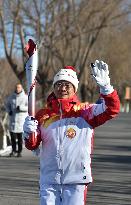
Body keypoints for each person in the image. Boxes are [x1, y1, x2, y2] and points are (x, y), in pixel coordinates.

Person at [23, 61, 120, 205]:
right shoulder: (43, 115)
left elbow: (112, 109)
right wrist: (28, 132)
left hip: (76, 180)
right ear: (54, 88)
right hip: (49, 180)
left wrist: (106, 88)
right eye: (58, 84)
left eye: (67, 85)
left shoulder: (85, 111)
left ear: (74, 88)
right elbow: (32, 145)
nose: (62, 88)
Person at [6, 83, 28, 157]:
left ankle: (19, 151)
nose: (17, 89)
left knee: (19, 138)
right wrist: (9, 111)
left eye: (19, 87)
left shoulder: (25, 97)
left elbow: (29, 107)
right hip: (12, 120)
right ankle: (13, 150)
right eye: (16, 87)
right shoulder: (11, 97)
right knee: (12, 138)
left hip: (21, 120)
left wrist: (21, 108)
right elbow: (7, 105)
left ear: (21, 88)